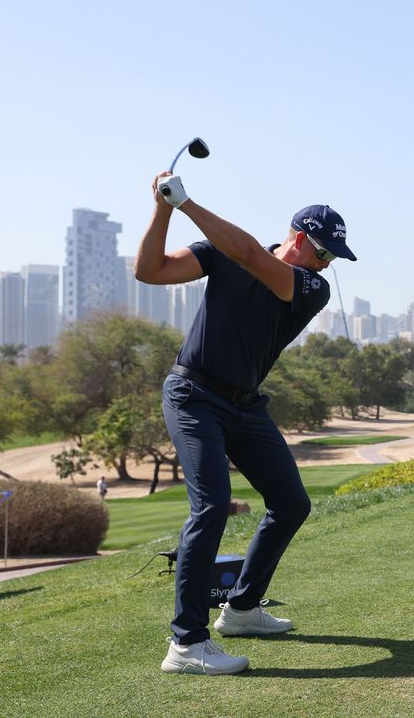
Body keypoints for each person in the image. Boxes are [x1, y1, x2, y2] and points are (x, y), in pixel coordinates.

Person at [136, 171, 356, 676]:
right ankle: (186, 645)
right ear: (299, 238)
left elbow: (253, 258)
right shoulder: (222, 252)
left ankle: (240, 611)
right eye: (323, 253)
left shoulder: (311, 288)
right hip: (193, 395)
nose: (327, 265)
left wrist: (188, 202)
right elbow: (149, 271)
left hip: (246, 406)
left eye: (332, 260)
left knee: (291, 502)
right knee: (211, 506)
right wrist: (164, 208)